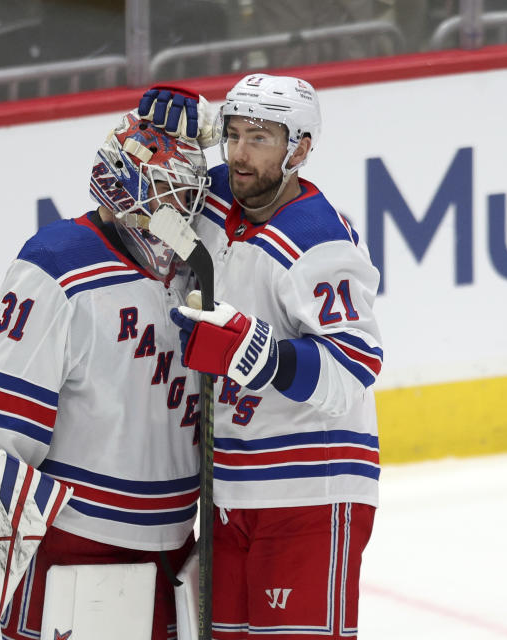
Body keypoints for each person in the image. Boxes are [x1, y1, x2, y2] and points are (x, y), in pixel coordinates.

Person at [141, 73, 383, 639]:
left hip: (309, 493)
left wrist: (263, 355)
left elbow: (356, 365)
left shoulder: (322, 241)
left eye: (260, 138)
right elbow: (148, 189)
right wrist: (175, 127)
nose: (240, 154)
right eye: (233, 135)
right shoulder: (216, 193)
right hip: (226, 490)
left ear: (298, 149)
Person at [0, 111, 210, 640]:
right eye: (166, 190)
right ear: (122, 185)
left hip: (176, 545)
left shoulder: (194, 269)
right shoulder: (58, 263)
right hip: (76, 547)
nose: (180, 211)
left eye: (187, 195)